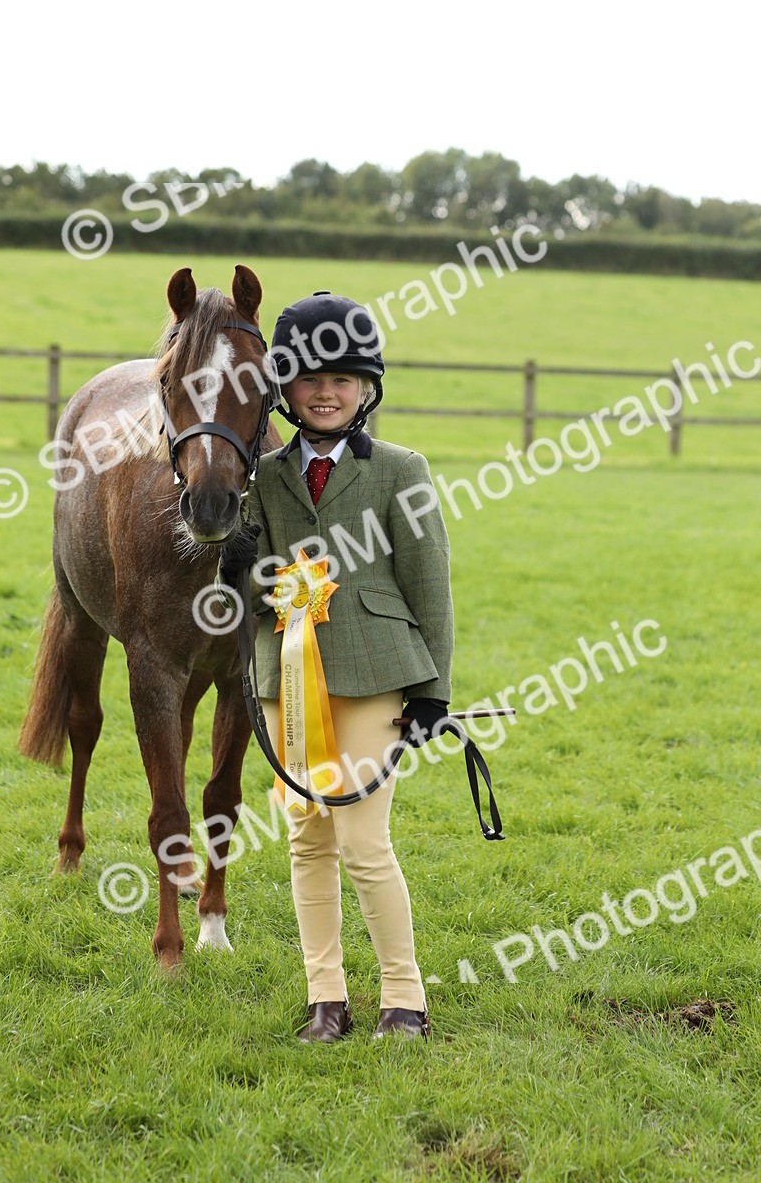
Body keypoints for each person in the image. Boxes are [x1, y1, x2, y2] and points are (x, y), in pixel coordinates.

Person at [219, 291, 454, 1043]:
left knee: (362, 840)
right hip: (288, 677)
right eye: (310, 380)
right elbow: (253, 599)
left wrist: (432, 693)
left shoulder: (400, 471)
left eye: (342, 379)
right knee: (305, 837)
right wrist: (239, 569)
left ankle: (404, 999)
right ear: (285, 392)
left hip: (377, 676)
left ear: (366, 388)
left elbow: (430, 588)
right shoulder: (261, 481)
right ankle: (327, 999)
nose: (326, 392)